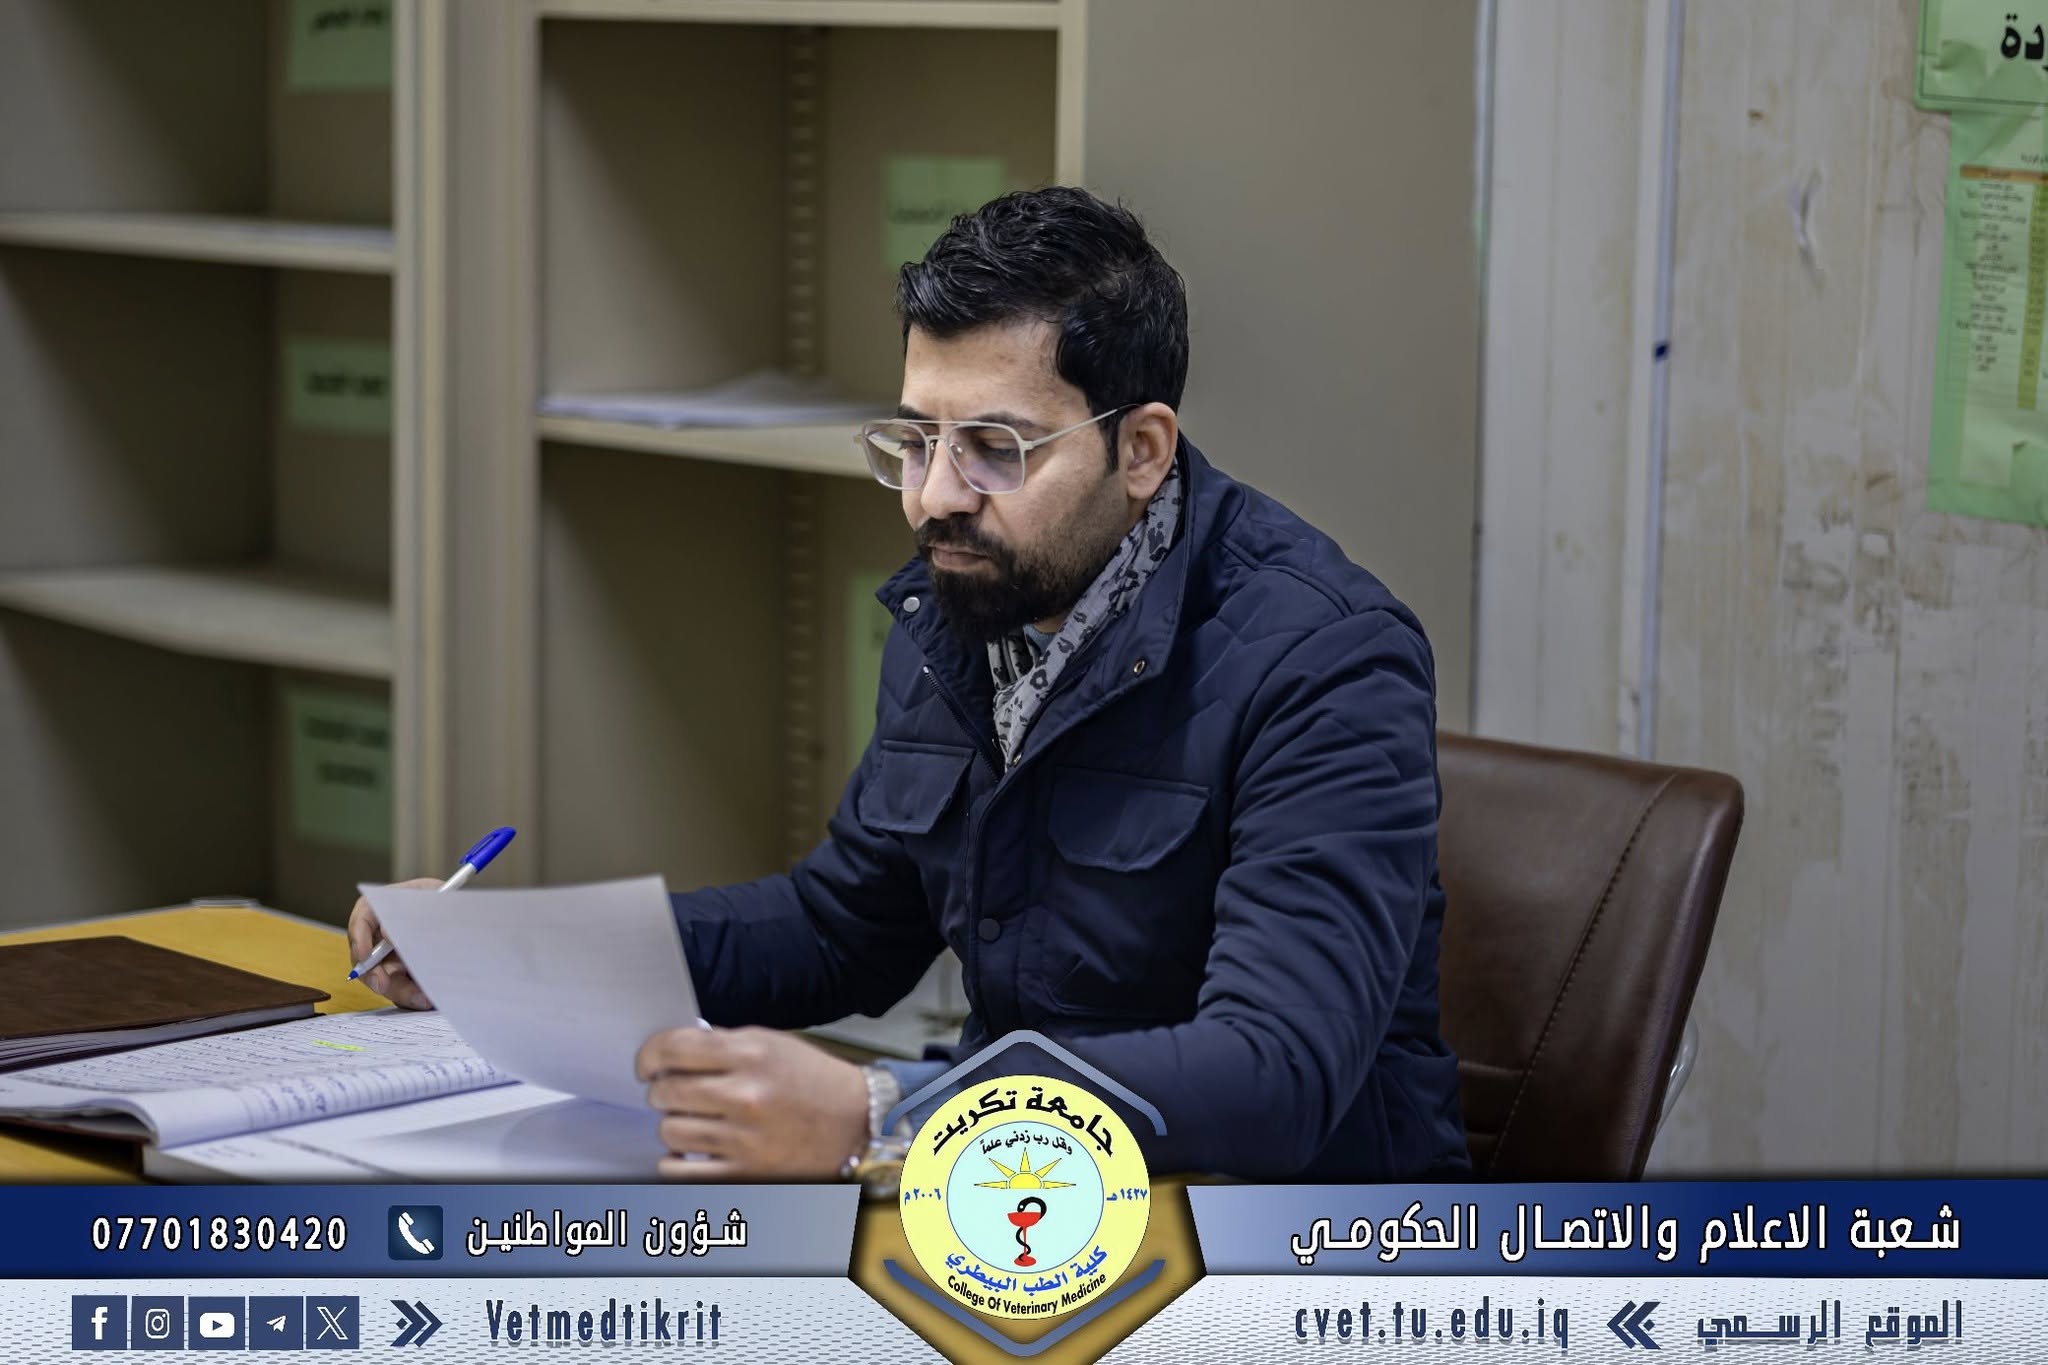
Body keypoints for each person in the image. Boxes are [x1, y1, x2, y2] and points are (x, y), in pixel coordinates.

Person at [349, 186, 1469, 1183]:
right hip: (1020, 1198)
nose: (935, 497)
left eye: (995, 448)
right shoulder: (965, 602)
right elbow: (839, 927)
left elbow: (1273, 1075)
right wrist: (515, 958)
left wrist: (888, 1111)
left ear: (1141, 450)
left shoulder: (1325, 660)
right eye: (916, 440)